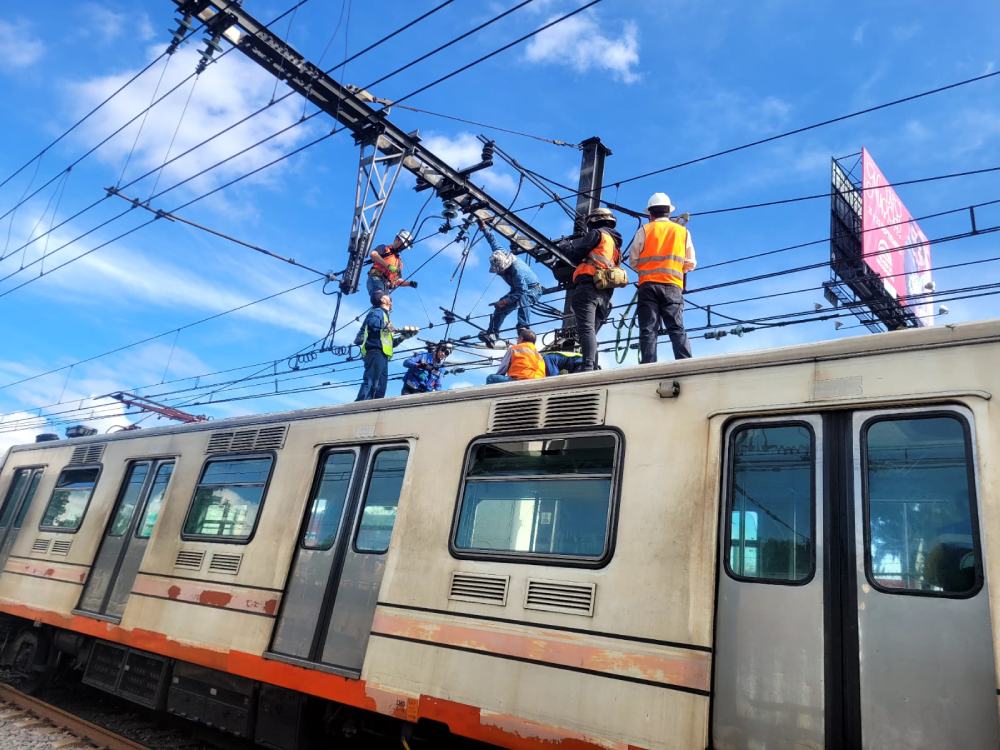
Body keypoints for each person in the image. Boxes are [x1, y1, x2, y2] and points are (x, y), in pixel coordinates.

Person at [626, 192, 696, 361]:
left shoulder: (644, 230)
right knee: (676, 327)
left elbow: (633, 260)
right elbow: (691, 263)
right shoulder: (682, 232)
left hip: (648, 286)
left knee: (648, 329)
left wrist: (646, 269)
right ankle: (686, 363)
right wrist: (676, 269)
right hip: (673, 285)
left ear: (650, 213)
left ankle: (649, 367)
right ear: (669, 212)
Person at [559, 207, 625, 371]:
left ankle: (587, 366)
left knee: (585, 330)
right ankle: (592, 365)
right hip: (604, 295)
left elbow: (575, 254)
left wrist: (565, 246)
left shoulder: (597, 234)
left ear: (594, 221)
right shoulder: (615, 246)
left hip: (588, 288)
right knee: (590, 333)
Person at [477, 220, 543, 347]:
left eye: (501, 271)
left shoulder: (517, 271)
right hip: (518, 289)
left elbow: (522, 291)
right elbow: (493, 241)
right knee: (500, 306)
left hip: (533, 290)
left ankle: (523, 328)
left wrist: (506, 302)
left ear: (506, 266)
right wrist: (484, 228)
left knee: (523, 298)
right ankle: (492, 333)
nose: (500, 274)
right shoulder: (500, 254)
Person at [355, 292, 396, 401]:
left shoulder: (386, 317)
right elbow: (372, 322)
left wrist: (404, 337)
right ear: (382, 300)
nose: (390, 299)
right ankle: (360, 406)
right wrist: (386, 326)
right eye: (387, 297)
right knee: (371, 382)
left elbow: (389, 341)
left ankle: (374, 406)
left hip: (383, 354)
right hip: (375, 351)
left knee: (380, 387)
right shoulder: (377, 311)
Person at [368, 229, 418, 297]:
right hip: (376, 279)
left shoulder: (399, 263)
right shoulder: (384, 248)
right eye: (402, 245)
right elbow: (373, 255)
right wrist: (388, 266)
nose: (403, 248)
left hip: (386, 286)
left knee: (387, 304)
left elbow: (397, 281)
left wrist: (409, 283)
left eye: (404, 247)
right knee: (379, 298)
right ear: (397, 239)